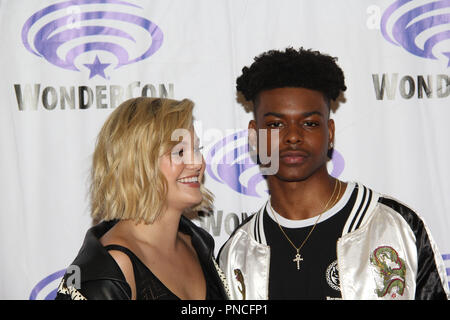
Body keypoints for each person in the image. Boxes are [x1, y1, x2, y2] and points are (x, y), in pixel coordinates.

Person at [218, 47, 449, 300]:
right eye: (275, 124)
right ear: (254, 136)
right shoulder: (238, 251)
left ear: (330, 133)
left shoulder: (393, 225)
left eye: (309, 123)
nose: (293, 136)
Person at [56, 97, 229, 300]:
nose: (197, 163)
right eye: (180, 152)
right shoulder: (113, 266)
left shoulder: (197, 243)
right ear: (138, 163)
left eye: (197, 149)